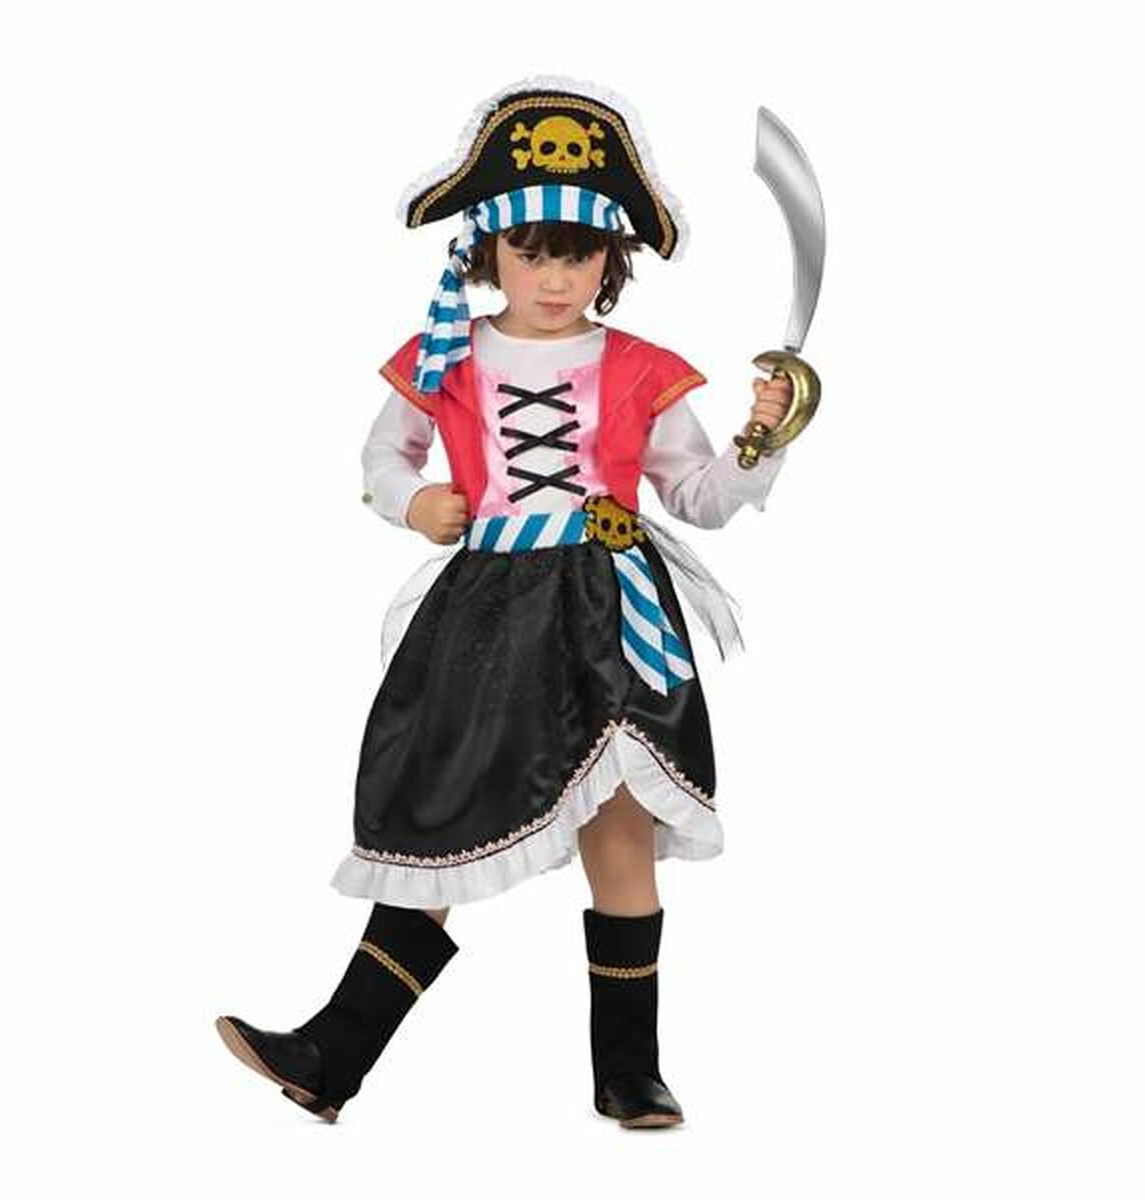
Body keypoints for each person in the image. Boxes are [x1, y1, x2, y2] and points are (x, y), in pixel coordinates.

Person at [216, 75, 795, 1131]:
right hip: (485, 616)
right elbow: (382, 459)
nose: (555, 276)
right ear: (487, 251)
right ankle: (333, 1053)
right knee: (437, 810)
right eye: (532, 252)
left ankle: (630, 1073)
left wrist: (764, 442)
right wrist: (415, 502)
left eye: (579, 254)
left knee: (619, 821)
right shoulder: (446, 354)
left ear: (610, 260)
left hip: (612, 610)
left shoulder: (642, 369)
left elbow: (701, 500)